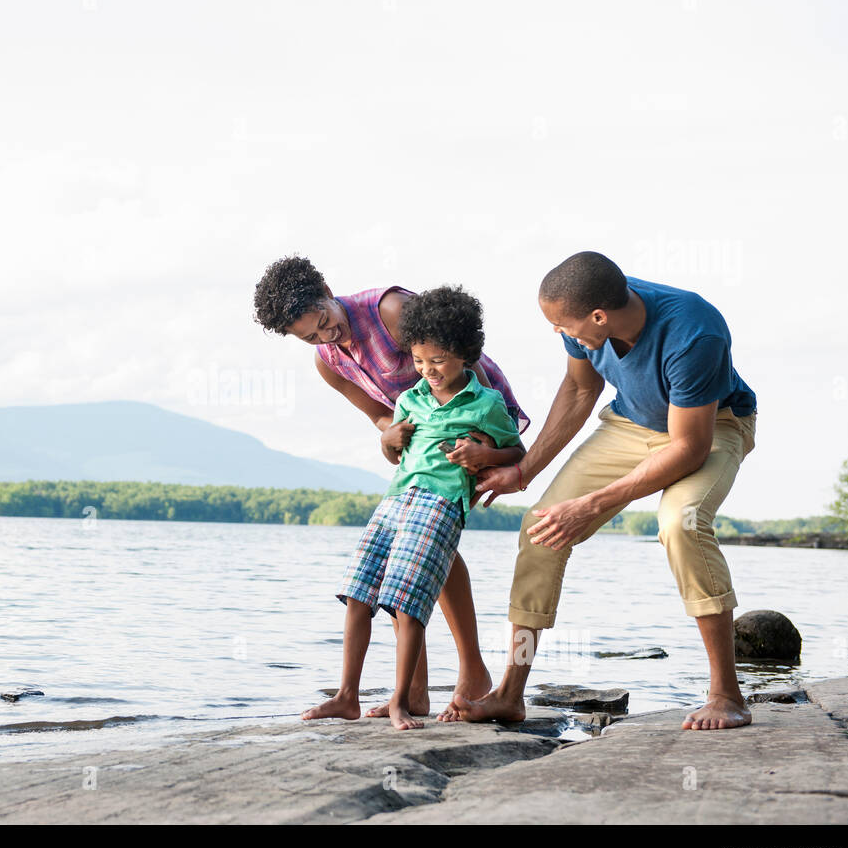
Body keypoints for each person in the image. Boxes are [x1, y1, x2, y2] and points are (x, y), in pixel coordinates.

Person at [456, 251, 758, 730]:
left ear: (599, 316)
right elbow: (579, 391)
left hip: (712, 427)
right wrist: (524, 471)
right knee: (541, 527)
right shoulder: (584, 308)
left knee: (681, 524)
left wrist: (595, 504)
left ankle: (727, 694)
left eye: (563, 326)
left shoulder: (695, 332)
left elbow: (688, 448)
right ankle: (510, 694)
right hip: (630, 423)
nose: (560, 333)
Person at [253, 255, 530, 718]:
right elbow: (379, 415)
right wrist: (388, 433)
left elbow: (464, 362)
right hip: (417, 441)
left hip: (468, 424)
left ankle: (469, 671)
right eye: (309, 337)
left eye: (324, 321)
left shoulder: (390, 311)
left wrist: (479, 440)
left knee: (427, 552)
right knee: (408, 559)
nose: (326, 337)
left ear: (327, 289)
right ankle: (416, 691)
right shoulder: (328, 362)